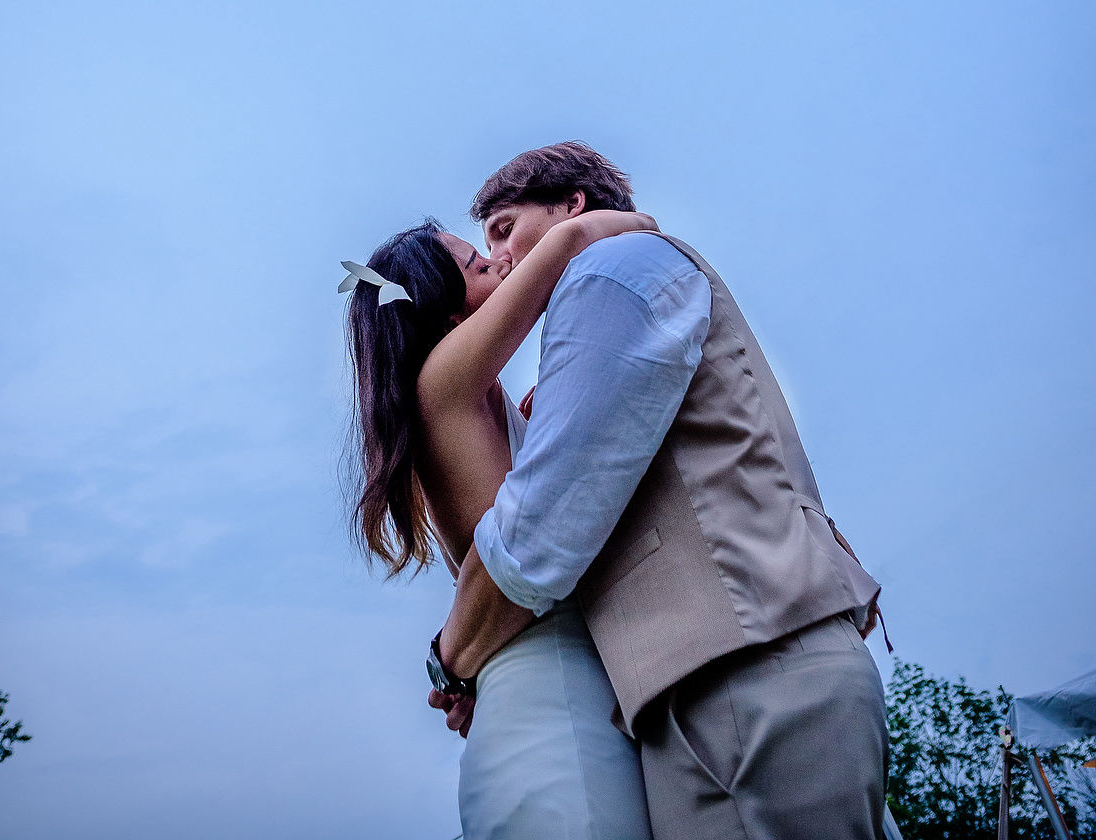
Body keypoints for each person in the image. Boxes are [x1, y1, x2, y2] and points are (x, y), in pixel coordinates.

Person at [433, 141, 889, 840]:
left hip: (749, 672)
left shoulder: (609, 272)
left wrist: (456, 657)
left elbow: (541, 531)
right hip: (696, 685)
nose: (496, 256)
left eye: (503, 228)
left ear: (572, 208)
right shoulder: (574, 322)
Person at [342, 205, 656, 840]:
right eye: (480, 263)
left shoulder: (467, 395)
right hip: (551, 713)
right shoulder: (447, 377)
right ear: (447, 310)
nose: (505, 261)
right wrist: (617, 221)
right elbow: (568, 242)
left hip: (549, 693)